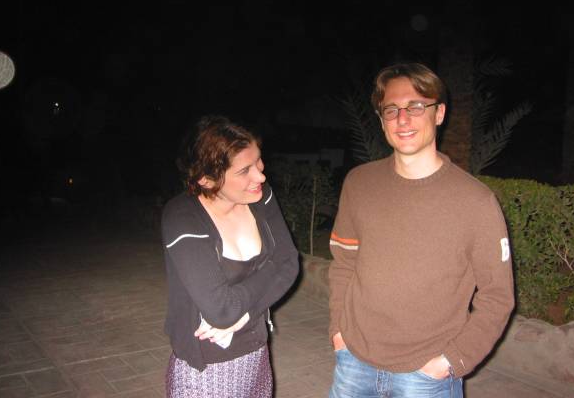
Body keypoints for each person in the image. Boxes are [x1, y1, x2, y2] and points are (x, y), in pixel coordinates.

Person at [328, 63, 515, 398]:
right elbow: (343, 263)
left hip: (426, 377)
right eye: (391, 109)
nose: (403, 119)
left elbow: (497, 297)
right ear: (381, 119)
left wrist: (452, 360)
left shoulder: (476, 201)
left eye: (416, 107)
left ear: (439, 113)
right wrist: (338, 332)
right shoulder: (359, 183)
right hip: (354, 362)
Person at [162, 115, 299, 398]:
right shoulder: (183, 217)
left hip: (257, 354)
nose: (260, 176)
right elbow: (221, 310)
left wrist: (245, 313)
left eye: (258, 161)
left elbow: (289, 263)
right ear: (207, 179)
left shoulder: (260, 197)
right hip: (206, 369)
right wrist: (270, 271)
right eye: (244, 170)